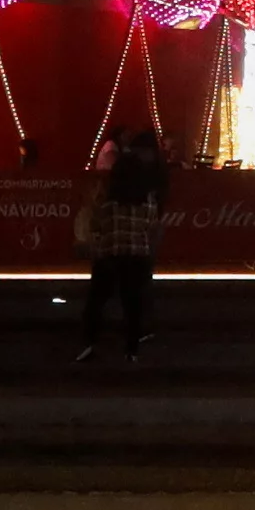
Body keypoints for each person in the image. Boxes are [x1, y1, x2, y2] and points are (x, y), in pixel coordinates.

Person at [82, 128, 167, 361]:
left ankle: (89, 342)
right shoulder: (147, 200)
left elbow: (96, 224)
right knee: (133, 303)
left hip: (110, 254)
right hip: (137, 255)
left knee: (97, 300)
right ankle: (131, 349)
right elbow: (151, 226)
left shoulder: (107, 200)